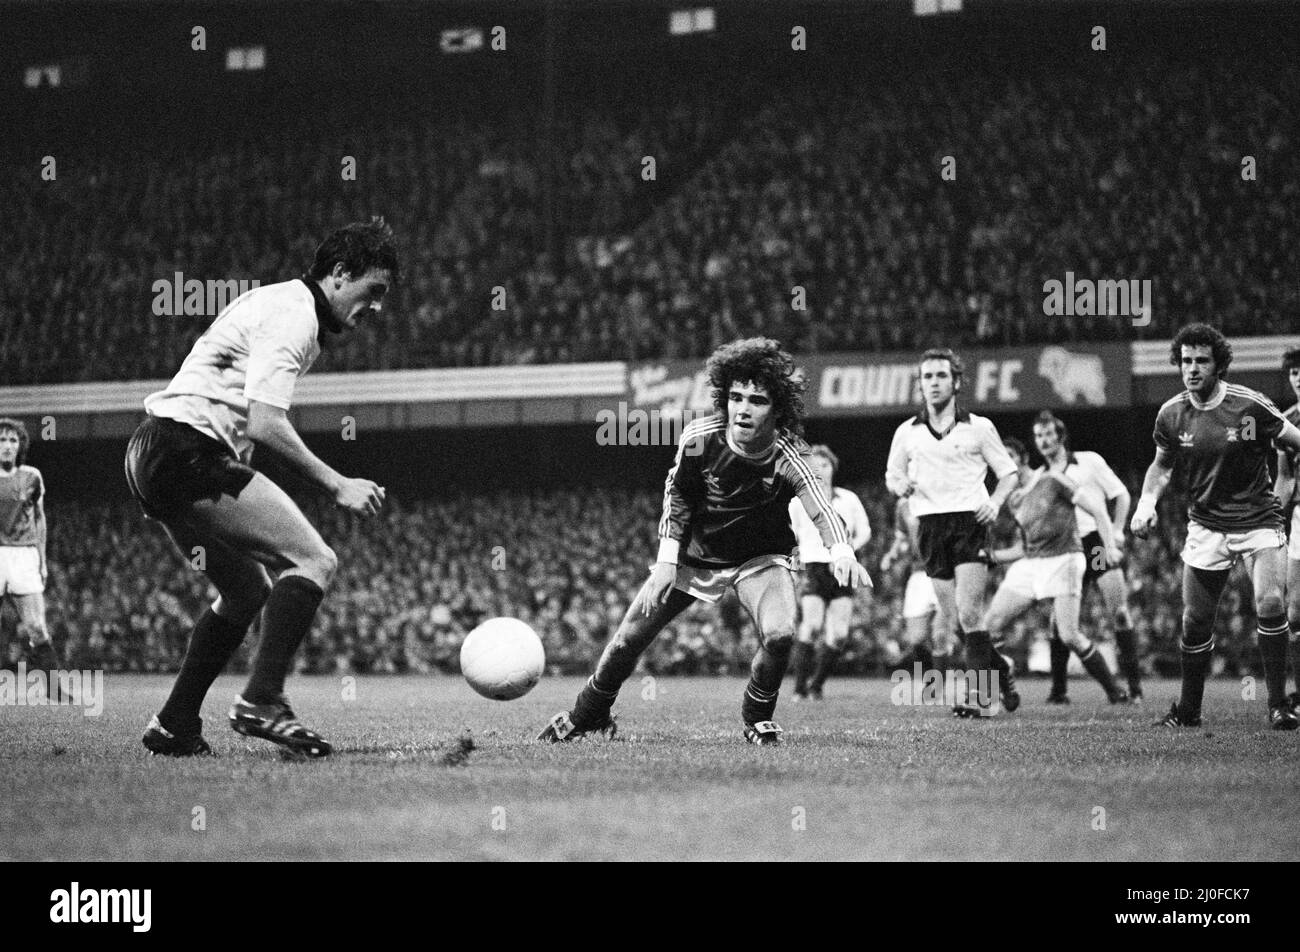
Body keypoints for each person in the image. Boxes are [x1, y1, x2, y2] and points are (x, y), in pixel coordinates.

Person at [125, 218, 399, 757]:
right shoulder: (293, 315)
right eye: (375, 291)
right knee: (314, 559)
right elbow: (265, 424)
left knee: (247, 590)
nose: (377, 308)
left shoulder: (286, 308)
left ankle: (175, 723)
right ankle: (261, 701)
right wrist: (336, 482)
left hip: (156, 453)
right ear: (340, 274)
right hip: (186, 452)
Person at [538, 338, 870, 746]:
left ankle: (757, 717)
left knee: (782, 635)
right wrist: (666, 561)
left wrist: (840, 550)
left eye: (757, 400)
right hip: (694, 555)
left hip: (759, 558)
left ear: (778, 408)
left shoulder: (788, 452)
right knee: (627, 639)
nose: (743, 409)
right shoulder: (700, 437)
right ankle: (587, 714)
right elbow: (676, 496)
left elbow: (819, 501)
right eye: (735, 397)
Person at [1132, 324, 1300, 730]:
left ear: (1218, 364)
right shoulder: (1171, 414)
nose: (1192, 369)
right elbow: (1161, 465)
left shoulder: (1250, 406)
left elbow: (1294, 439)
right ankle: (1189, 710)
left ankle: (1279, 705)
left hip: (1259, 520)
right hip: (1206, 525)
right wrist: (1145, 504)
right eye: (1186, 361)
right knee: (1194, 621)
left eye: (1201, 361)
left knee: (1272, 603)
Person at [885, 348, 1018, 714]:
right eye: (927, 377)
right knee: (958, 621)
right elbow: (892, 474)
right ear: (920, 385)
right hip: (929, 526)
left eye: (941, 376)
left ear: (956, 382)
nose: (933, 383)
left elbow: (1008, 472)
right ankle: (1000, 668)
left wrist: (995, 501)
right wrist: (900, 486)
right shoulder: (907, 432)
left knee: (970, 613)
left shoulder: (978, 427)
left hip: (968, 523)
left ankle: (979, 699)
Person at [984, 437, 1128, 711]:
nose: (1004, 465)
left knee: (1069, 634)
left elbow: (1097, 510)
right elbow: (1023, 548)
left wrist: (1109, 545)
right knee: (987, 625)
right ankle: (1004, 674)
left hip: (1065, 559)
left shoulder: (1053, 480)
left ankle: (1115, 691)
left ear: (1023, 458)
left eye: (1010, 456)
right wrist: (993, 556)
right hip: (1033, 563)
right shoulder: (1014, 499)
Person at [1033, 411, 1144, 703]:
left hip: (1094, 544)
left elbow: (1121, 494)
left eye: (1048, 434)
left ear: (1060, 436)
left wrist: (1117, 531)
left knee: (1118, 612)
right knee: (1059, 622)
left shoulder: (1088, 462)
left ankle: (1135, 688)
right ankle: (1059, 692)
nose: (1043, 441)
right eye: (1038, 435)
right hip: (1066, 549)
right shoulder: (1040, 477)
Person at [787, 445, 871, 700]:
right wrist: (794, 566)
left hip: (841, 568)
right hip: (813, 566)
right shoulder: (798, 501)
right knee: (811, 626)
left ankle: (817, 685)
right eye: (815, 465)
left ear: (833, 468)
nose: (820, 469)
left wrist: (847, 551)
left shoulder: (849, 499)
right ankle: (800, 687)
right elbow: (792, 535)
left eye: (825, 465)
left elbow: (865, 530)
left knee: (839, 634)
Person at [0, 418, 62, 686]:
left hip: (24, 555)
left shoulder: (32, 477)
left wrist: (42, 560)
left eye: (12, 440)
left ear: (20, 445)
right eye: (1, 440)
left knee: (36, 626)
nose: (7, 446)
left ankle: (53, 686)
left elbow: (40, 519)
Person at [879, 496, 947, 670]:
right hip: (919, 573)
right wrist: (891, 554)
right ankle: (930, 678)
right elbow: (901, 537)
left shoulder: (943, 493)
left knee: (940, 633)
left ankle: (937, 687)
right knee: (916, 639)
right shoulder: (903, 505)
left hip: (946, 571)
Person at [1274, 346, 1300, 711]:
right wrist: (1272, 520)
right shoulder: (1286, 421)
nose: (1299, 377)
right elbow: (1284, 479)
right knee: (1294, 614)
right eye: (1294, 372)